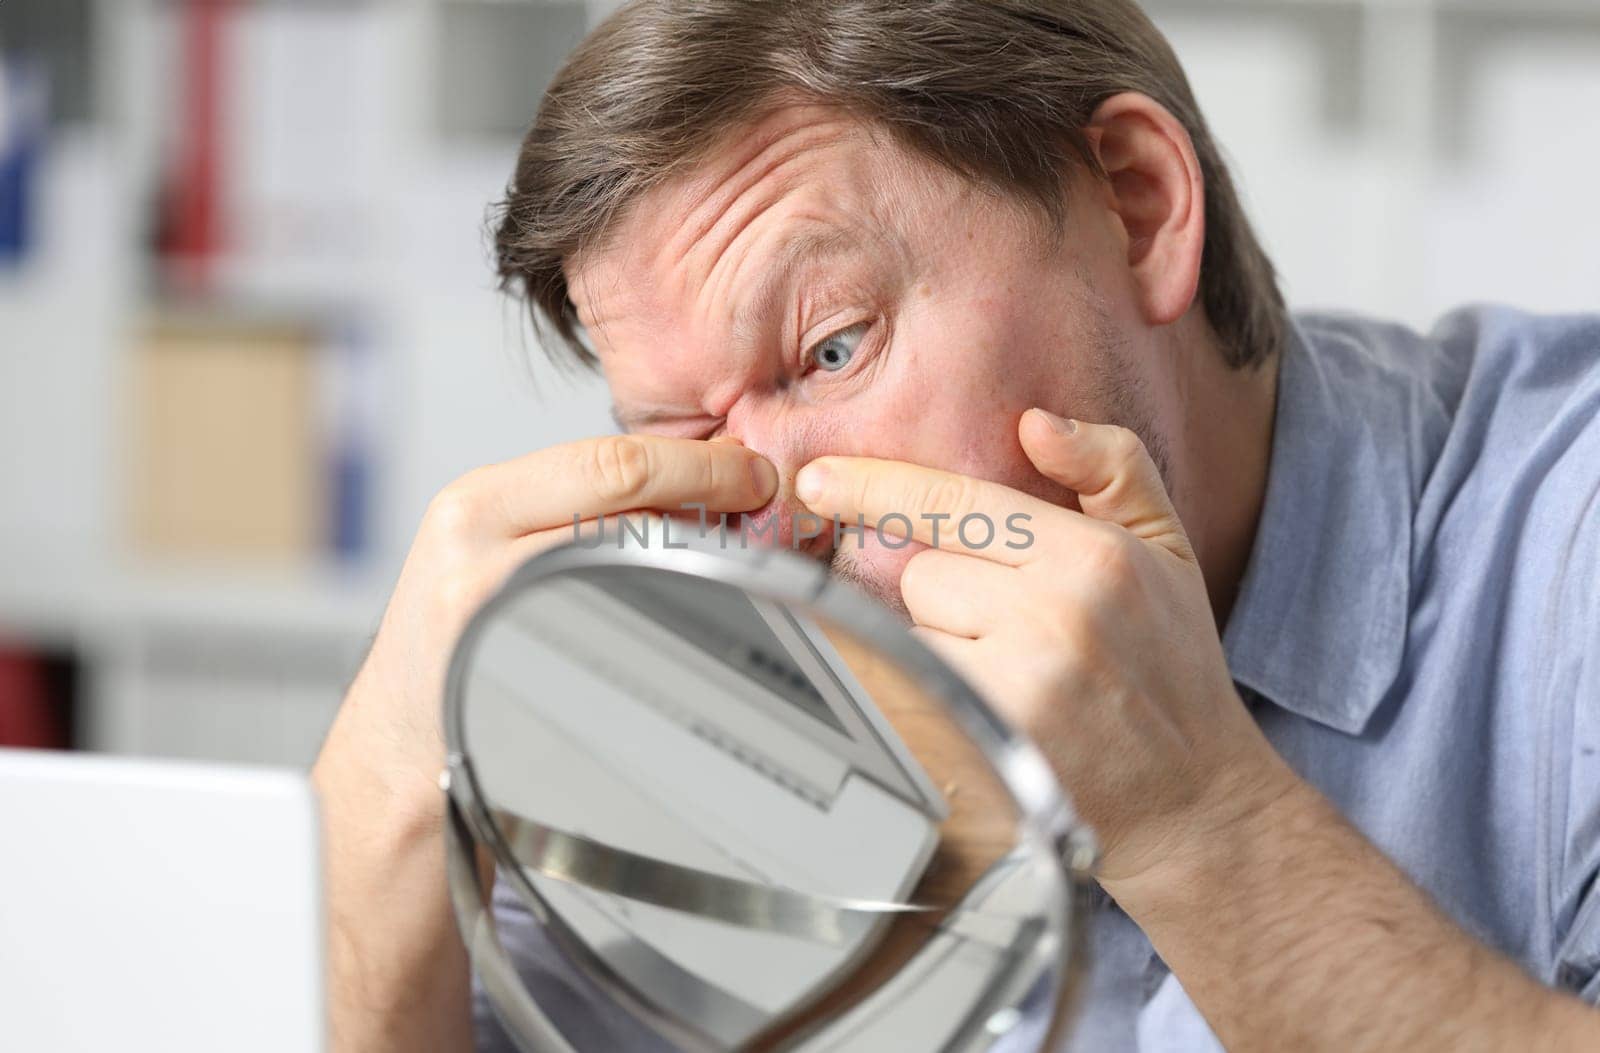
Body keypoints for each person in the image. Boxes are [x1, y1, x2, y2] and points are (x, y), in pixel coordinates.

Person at [310, 1, 1600, 1050]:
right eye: (686, 442)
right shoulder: (722, 659)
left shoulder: (1566, 543)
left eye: (831, 348)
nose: (769, 523)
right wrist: (382, 809)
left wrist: (1201, 823)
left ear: (1138, 205)